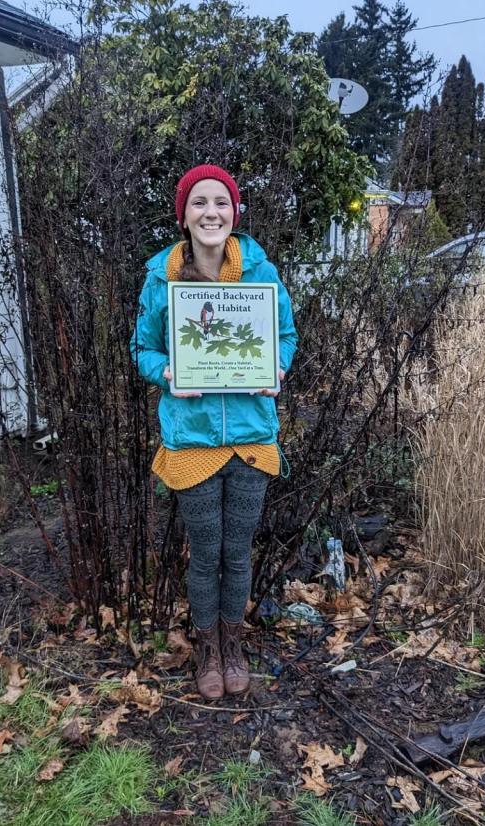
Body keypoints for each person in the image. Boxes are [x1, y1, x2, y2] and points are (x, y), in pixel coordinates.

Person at [131, 165, 297, 700]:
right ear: (184, 215)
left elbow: (286, 336)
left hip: (250, 438)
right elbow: (143, 349)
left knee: (238, 552)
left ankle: (233, 644)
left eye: (221, 203)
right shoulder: (161, 279)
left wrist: (276, 368)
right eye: (199, 202)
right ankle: (206, 648)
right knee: (205, 554)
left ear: (234, 213)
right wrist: (168, 373)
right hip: (192, 440)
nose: (211, 213)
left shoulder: (262, 276)